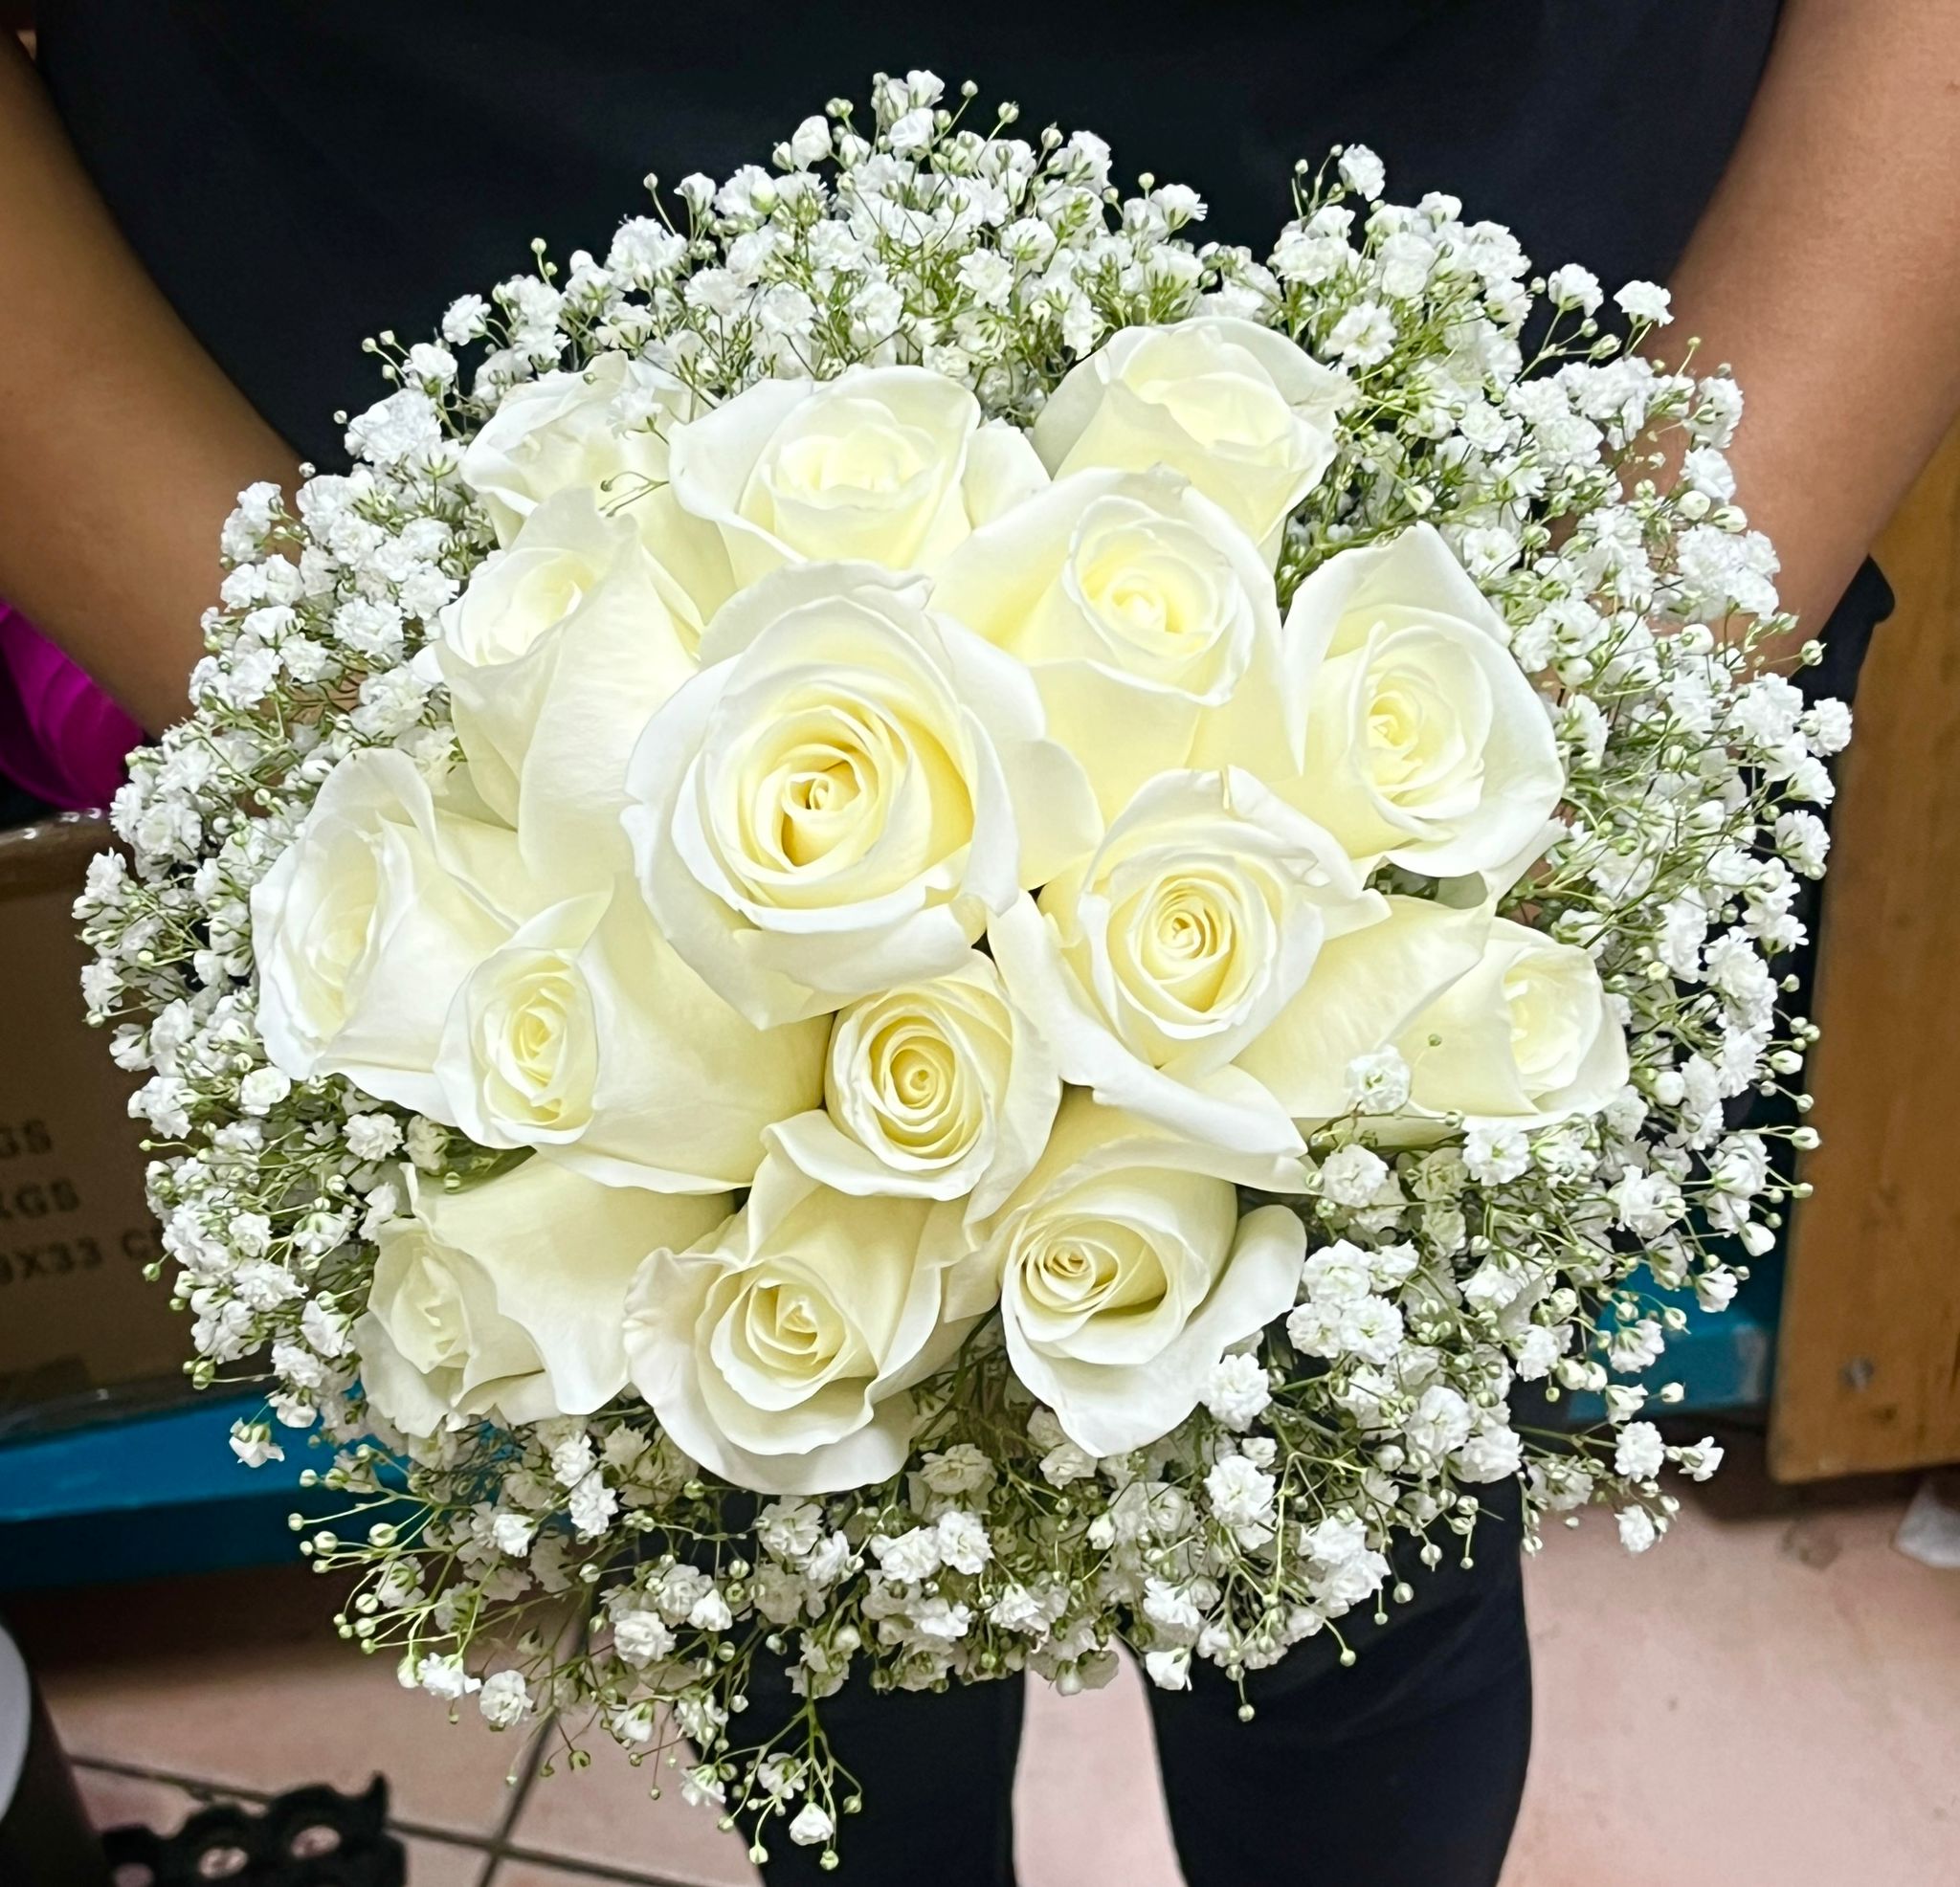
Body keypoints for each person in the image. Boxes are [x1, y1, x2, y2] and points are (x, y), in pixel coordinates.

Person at [1, 6, 1954, 1882]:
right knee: (779, 1520)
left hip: (1483, 492)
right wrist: (369, 721)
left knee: (1360, 1565)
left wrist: (1632, 653)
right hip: (465, 495)